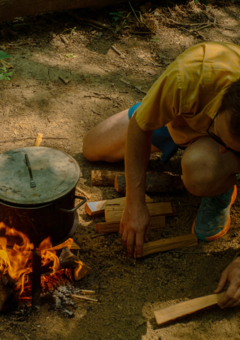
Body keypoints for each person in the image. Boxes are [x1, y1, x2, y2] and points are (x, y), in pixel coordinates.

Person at [83, 41, 240, 308]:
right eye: (225, 141)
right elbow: (138, 128)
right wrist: (135, 203)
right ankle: (160, 109)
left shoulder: (224, 144)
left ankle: (221, 187)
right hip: (182, 117)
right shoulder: (189, 76)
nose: (226, 148)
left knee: (201, 169)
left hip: (204, 144)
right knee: (93, 146)